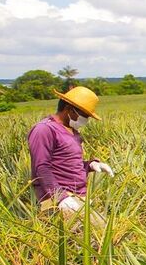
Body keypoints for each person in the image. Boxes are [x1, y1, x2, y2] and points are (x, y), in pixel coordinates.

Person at [27, 86, 114, 228]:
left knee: (98, 234)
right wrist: (60, 197)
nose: (86, 119)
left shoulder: (73, 131)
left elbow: (67, 164)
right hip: (60, 199)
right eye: (84, 115)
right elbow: (41, 167)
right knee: (101, 233)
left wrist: (91, 165)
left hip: (77, 197)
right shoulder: (44, 130)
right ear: (69, 109)